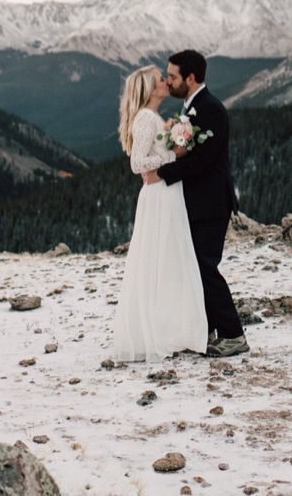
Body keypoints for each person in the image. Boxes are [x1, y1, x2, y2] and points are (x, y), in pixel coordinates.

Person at [144, 49, 248, 357]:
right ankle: (207, 329)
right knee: (195, 267)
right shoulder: (192, 108)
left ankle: (233, 335)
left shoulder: (210, 109)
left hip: (211, 203)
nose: (169, 81)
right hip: (195, 202)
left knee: (204, 268)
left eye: (173, 76)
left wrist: (161, 172)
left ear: (190, 78)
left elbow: (203, 161)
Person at [111, 65, 208, 362]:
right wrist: (173, 155)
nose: (166, 82)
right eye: (160, 80)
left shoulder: (153, 118)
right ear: (150, 89)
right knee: (158, 260)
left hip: (167, 193)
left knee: (169, 260)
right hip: (158, 196)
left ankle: (170, 329)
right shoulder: (144, 119)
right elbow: (137, 163)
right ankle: (155, 333)